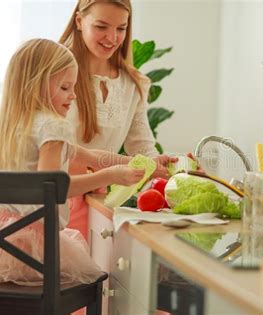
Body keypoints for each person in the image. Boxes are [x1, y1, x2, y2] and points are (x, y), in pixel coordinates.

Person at [0, 38, 145, 286]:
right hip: (30, 251)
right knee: (101, 281)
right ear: (37, 85)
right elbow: (53, 189)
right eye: (65, 88)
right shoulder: (54, 126)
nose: (73, 96)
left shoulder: (16, 124)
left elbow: (93, 156)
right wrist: (110, 176)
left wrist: (138, 163)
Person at [59, 0, 176, 239]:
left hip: (96, 202)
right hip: (56, 198)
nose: (112, 38)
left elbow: (142, 146)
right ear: (79, 21)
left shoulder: (135, 84)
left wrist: (162, 167)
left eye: (121, 29)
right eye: (101, 26)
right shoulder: (56, 74)